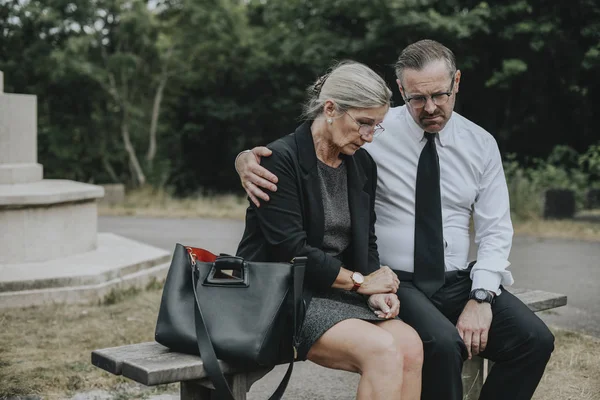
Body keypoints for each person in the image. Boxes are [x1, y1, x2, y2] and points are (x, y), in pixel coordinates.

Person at [235, 40, 555, 400]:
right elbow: (305, 145)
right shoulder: (367, 134)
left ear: (457, 83)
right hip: (361, 282)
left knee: (535, 340)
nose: (430, 107)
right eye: (418, 98)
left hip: (440, 279)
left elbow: (495, 229)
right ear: (402, 90)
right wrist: (246, 158)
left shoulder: (467, 145)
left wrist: (480, 296)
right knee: (432, 345)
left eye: (440, 95)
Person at [235, 60, 423, 400]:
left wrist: (375, 289)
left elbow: (366, 241)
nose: (369, 137)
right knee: (382, 351)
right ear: (331, 109)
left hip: (337, 292)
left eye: (376, 127)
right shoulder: (279, 160)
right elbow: (291, 251)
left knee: (411, 346)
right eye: (364, 123)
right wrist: (362, 282)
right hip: (285, 296)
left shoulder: (362, 164)